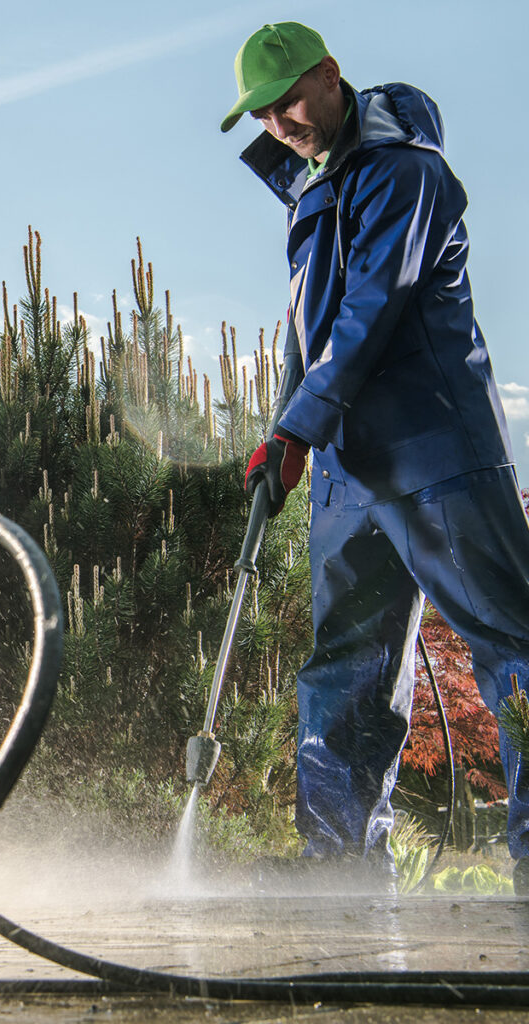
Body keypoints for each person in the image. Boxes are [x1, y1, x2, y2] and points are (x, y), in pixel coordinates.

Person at [222, 21, 529, 889]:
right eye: (262, 115)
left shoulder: (404, 171)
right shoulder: (310, 190)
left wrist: (300, 427)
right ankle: (339, 864)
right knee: (346, 665)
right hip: (346, 468)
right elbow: (309, 335)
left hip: (434, 449)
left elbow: (371, 312)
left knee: (510, 643)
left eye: (288, 102)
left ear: (330, 75)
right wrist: (285, 432)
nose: (279, 124)